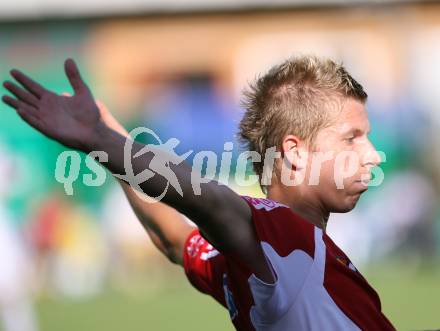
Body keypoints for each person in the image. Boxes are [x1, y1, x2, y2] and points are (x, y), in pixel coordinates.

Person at [2, 55, 396, 330]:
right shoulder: (286, 241)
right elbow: (206, 200)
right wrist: (101, 140)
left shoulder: (257, 263)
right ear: (294, 151)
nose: (371, 154)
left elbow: (176, 240)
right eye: (352, 139)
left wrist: (109, 142)